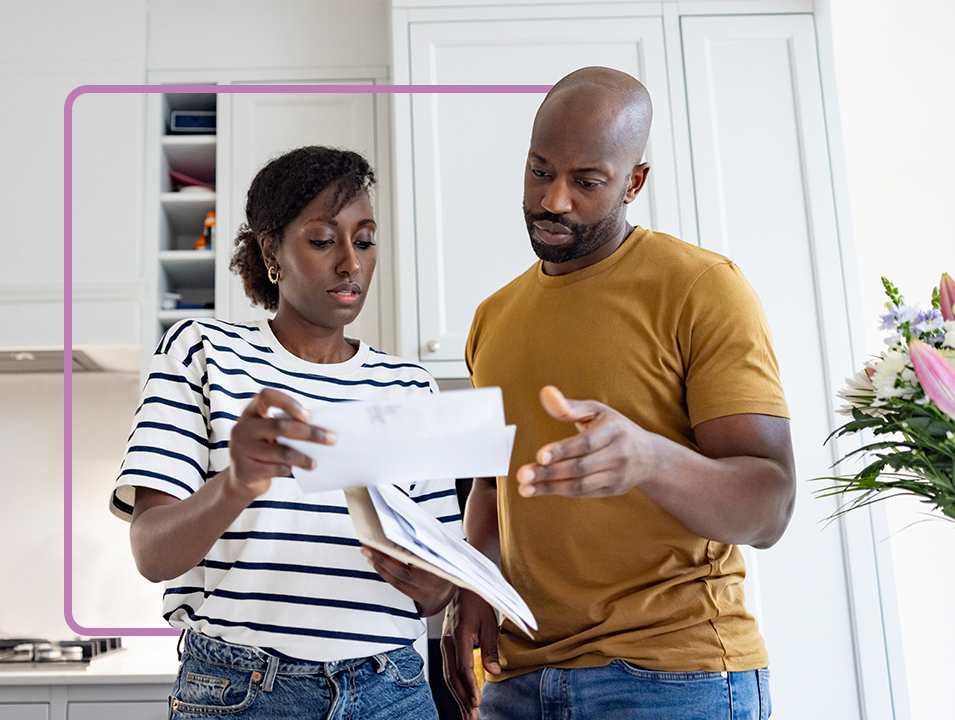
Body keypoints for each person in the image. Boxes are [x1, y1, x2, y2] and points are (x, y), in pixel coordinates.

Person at [441, 67, 795, 719]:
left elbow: (769, 503)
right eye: (539, 171)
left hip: (670, 677)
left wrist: (651, 460)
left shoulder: (701, 288)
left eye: (586, 181)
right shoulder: (492, 318)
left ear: (634, 182)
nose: (553, 200)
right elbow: (491, 486)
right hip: (518, 681)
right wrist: (472, 586)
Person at [111, 146, 460, 720]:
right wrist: (239, 483)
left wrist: (430, 584)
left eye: (366, 241)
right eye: (323, 240)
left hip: (391, 690)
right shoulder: (203, 352)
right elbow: (152, 553)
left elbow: (437, 589)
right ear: (271, 249)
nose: (351, 262)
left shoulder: (409, 387)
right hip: (243, 692)